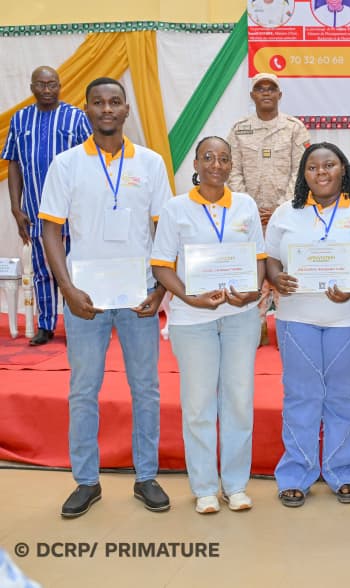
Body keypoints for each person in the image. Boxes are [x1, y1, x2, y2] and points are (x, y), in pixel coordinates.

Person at [38, 77, 171, 518]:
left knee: (146, 389)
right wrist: (67, 289)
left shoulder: (150, 163)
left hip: (138, 297)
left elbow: (164, 231)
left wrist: (159, 290)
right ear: (87, 111)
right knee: (83, 390)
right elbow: (50, 231)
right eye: (99, 102)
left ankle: (146, 476)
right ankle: (86, 481)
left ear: (127, 109)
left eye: (115, 102)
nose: (107, 109)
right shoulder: (66, 164)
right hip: (85, 299)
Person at [151, 137, 266, 514]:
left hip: (239, 319)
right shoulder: (175, 208)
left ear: (231, 165)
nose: (217, 164)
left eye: (224, 159)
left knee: (239, 401)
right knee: (198, 405)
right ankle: (203, 487)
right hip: (192, 320)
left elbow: (259, 258)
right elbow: (161, 265)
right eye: (208, 157)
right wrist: (189, 297)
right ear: (196, 164)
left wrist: (251, 293)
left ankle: (235, 486)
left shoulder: (245, 205)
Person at [266, 142, 350, 507]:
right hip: (296, 318)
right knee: (301, 396)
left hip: (348, 317)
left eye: (329, 165)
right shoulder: (286, 213)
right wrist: (276, 278)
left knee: (345, 396)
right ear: (303, 174)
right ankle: (297, 472)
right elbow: (271, 259)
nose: (321, 172)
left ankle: (344, 470)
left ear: (344, 169)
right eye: (313, 167)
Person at [2, 66, 91, 346]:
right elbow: (14, 163)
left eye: (52, 84)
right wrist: (16, 207)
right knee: (42, 269)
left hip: (73, 211)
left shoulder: (76, 117)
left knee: (74, 267)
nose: (47, 90)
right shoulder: (20, 119)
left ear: (60, 86)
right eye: (41, 84)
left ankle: (77, 323)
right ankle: (45, 325)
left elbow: (93, 159)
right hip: (35, 210)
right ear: (32, 87)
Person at [226, 72, 310, 345]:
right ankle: (257, 326)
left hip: (287, 215)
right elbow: (231, 169)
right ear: (252, 95)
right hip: (248, 217)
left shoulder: (294, 128)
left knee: (284, 268)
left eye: (271, 89)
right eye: (260, 89)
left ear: (279, 95)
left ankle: (288, 327)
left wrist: (280, 208)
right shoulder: (239, 129)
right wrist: (248, 207)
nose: (265, 93)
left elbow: (301, 170)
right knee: (253, 269)